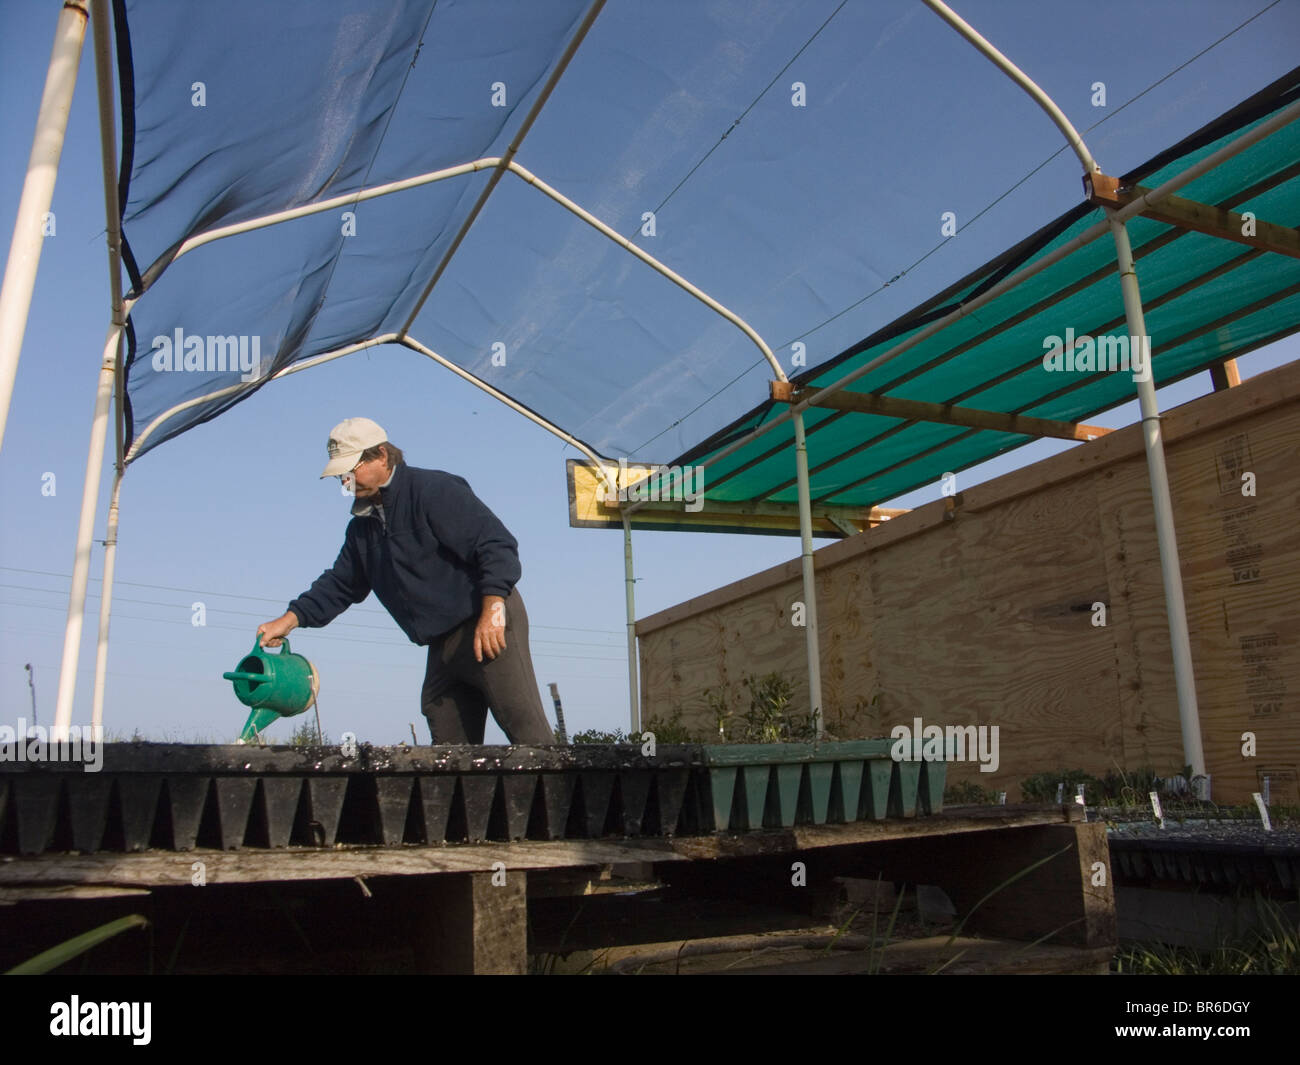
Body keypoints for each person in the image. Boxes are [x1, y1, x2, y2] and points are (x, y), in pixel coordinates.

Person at [256, 417, 556, 745]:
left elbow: (495, 544)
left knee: (526, 730)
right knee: (447, 743)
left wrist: (493, 609)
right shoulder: (361, 529)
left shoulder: (433, 490)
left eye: (351, 469)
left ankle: (564, 795)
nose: (346, 480)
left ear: (382, 456)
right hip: (441, 642)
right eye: (340, 474)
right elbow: (342, 583)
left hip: (485, 621)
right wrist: (289, 620)